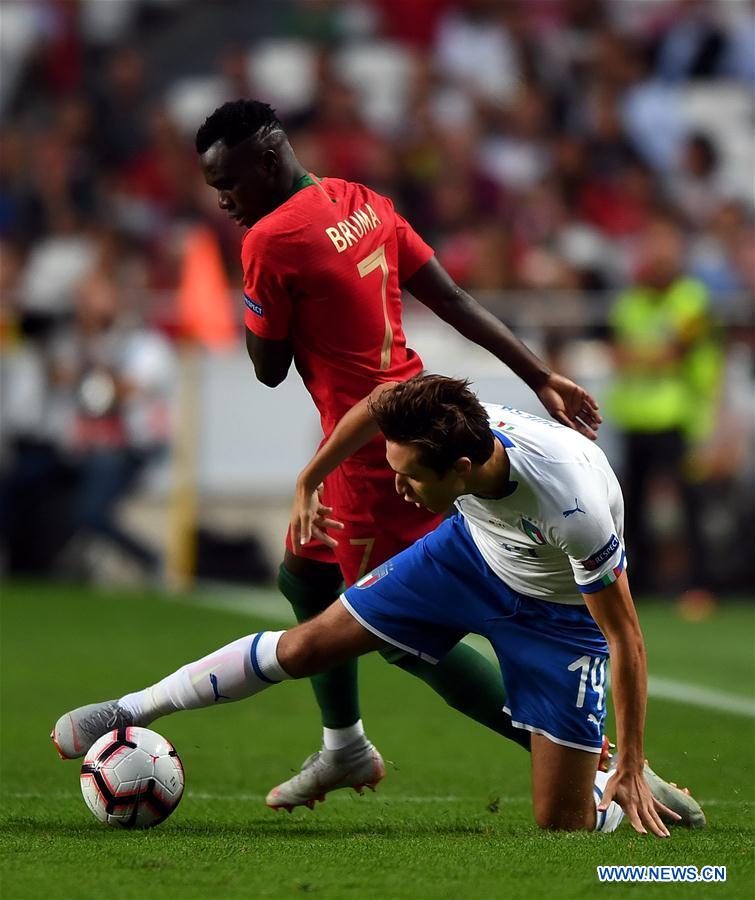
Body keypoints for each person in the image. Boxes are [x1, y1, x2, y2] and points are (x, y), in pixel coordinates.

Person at [52, 375, 705, 835]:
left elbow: (625, 637)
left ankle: (621, 781)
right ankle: (131, 708)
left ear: (462, 467)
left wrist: (632, 755)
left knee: (561, 823)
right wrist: (310, 478)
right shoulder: (446, 421)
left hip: (558, 615)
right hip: (468, 556)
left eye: (410, 476)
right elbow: (376, 402)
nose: (398, 487)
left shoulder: (573, 508)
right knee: (306, 645)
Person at [194, 99, 602, 810]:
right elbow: (452, 298)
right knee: (304, 576)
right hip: (405, 414)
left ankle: (597, 765)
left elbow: (267, 368)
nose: (222, 201)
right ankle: (344, 745)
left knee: (397, 636)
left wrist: (258, 297)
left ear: (268, 159)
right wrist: (539, 375)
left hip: (374, 459)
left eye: (227, 183)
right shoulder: (362, 200)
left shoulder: (269, 241)